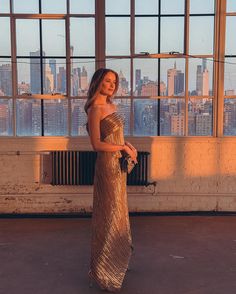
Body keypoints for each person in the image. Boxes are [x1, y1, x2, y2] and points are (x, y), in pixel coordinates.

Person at [84, 68, 137, 292]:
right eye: (107, 80)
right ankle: (104, 269)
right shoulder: (95, 109)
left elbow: (117, 138)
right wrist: (122, 147)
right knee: (109, 212)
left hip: (119, 162)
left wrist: (129, 148)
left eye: (114, 81)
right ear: (98, 82)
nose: (112, 85)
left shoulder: (112, 106)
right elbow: (97, 145)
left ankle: (118, 258)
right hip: (107, 165)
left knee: (119, 210)